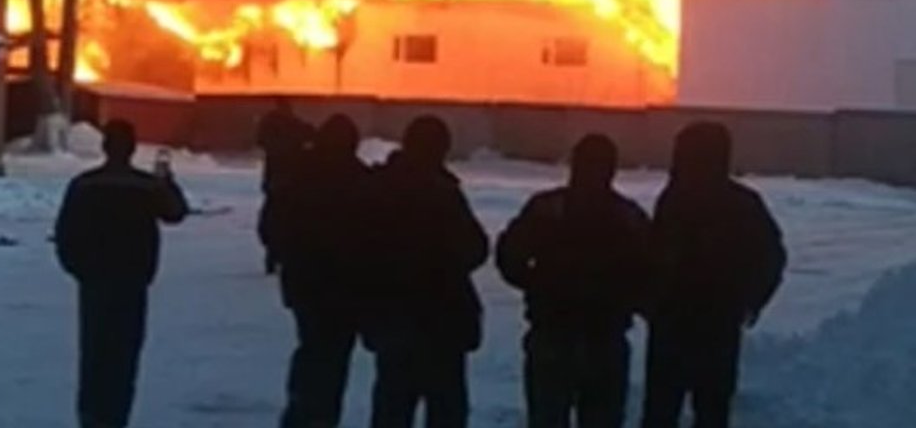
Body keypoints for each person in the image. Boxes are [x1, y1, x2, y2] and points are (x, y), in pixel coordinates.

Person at [496, 134, 650, 428]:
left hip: (556, 336)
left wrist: (535, 285)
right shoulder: (627, 216)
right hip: (600, 339)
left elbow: (509, 255)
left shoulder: (547, 208)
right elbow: (651, 270)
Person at [640, 122, 786, 428]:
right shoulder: (735, 202)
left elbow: (652, 255)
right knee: (707, 410)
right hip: (705, 324)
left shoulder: (677, 199)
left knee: (671, 410)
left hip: (687, 324)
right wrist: (751, 301)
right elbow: (771, 257)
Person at [55, 119, 189, 428]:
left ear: (105, 146)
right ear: (131, 147)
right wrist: (167, 182)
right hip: (132, 281)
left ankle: (91, 416)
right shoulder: (146, 186)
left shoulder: (84, 185)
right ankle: (116, 416)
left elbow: (66, 232)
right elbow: (175, 213)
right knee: (124, 355)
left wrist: (78, 268)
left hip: (94, 282)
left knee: (93, 353)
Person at [361, 116, 488, 428]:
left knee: (392, 408)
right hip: (440, 322)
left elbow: (357, 246)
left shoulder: (378, 189)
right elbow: (475, 248)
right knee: (445, 409)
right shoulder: (442, 192)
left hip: (392, 317)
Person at [262, 113, 370, 428]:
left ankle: (303, 410)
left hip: (304, 282)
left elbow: (271, 225)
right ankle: (322, 415)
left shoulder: (297, 176)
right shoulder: (361, 180)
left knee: (312, 346)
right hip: (345, 286)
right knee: (334, 355)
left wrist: (285, 255)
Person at [257, 97, 312, 274]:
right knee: (286, 219)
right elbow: (311, 135)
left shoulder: (269, 125)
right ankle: (281, 254)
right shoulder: (293, 124)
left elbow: (260, 140)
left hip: (275, 180)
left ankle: (273, 254)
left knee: (274, 219)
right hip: (290, 180)